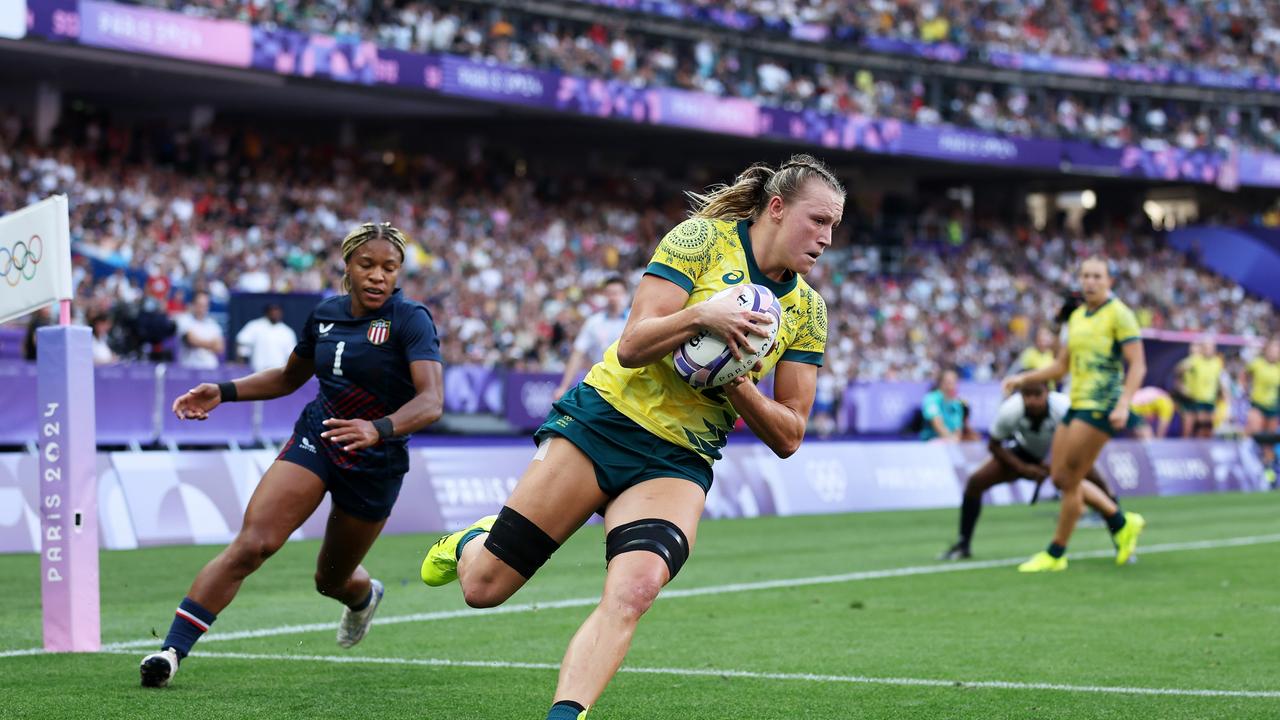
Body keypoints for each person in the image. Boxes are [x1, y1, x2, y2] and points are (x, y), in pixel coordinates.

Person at [417, 155, 842, 720]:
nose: (827, 238)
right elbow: (632, 345)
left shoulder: (809, 312)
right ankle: (474, 539)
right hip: (605, 422)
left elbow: (790, 434)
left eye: (834, 226)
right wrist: (703, 318)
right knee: (483, 587)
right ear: (777, 207)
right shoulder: (700, 240)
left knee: (635, 589)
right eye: (818, 220)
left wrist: (736, 382)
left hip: (680, 457)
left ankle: (565, 715)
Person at [139, 223, 444, 687]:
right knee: (253, 544)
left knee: (331, 580)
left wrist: (377, 429)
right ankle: (170, 652)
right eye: (367, 265)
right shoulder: (324, 315)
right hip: (317, 439)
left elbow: (431, 401)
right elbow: (287, 378)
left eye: (389, 267)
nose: (379, 276)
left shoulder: (411, 319)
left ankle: (362, 597)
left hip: (374, 463)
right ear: (346, 265)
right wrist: (222, 392)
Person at [1003, 257, 1146, 572]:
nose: (1091, 282)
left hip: (1102, 405)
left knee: (1070, 479)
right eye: (1085, 276)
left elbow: (1137, 364)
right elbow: (1061, 366)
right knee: (1060, 477)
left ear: (1109, 281)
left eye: (1097, 276)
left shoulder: (1120, 314)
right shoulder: (1077, 317)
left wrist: (1124, 403)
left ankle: (1056, 553)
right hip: (1076, 402)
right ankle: (1121, 522)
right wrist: (1024, 379)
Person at [940, 379, 1121, 560]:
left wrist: (1054, 463)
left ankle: (1121, 538)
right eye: (1027, 395)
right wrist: (1024, 468)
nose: (1032, 401)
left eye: (1037, 395)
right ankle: (963, 544)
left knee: (1100, 485)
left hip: (1063, 454)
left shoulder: (1064, 407)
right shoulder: (1009, 410)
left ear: (1048, 393)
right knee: (975, 482)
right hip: (1024, 453)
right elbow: (994, 445)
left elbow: (1081, 440)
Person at [553, 276, 630, 401]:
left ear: (625, 295)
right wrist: (563, 387)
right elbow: (577, 354)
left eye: (616, 293)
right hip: (599, 387)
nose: (612, 298)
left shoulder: (633, 320)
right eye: (609, 293)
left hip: (628, 387)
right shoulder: (593, 322)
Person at [1243, 338, 1280, 487]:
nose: (1275, 353)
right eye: (1273, 349)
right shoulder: (1257, 364)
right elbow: (1244, 376)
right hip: (1257, 404)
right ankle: (1251, 467)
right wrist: (1245, 390)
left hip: (1272, 407)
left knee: (1269, 443)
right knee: (1255, 434)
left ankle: (1269, 473)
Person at [1175, 340, 1227, 438]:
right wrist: (1181, 386)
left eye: (1210, 348)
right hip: (1195, 400)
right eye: (1206, 347)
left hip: (1210, 401)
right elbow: (1179, 370)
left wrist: (1224, 394)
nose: (1208, 350)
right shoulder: (1195, 360)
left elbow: (1220, 380)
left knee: (1206, 431)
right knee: (1191, 429)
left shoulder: (1217, 362)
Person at [236, 302, 299, 372]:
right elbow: (242, 342)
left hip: (279, 372)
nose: (274, 313)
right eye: (272, 310)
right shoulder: (254, 326)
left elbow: (291, 353)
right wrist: (240, 362)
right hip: (257, 370)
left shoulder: (287, 331)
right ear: (266, 312)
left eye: (277, 311)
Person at [919, 367, 975, 442]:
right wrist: (950, 439)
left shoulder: (957, 404)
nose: (951, 386)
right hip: (932, 443)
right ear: (940, 383)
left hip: (951, 444)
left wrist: (955, 440)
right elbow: (936, 422)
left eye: (954, 382)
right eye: (948, 382)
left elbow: (958, 429)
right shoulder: (931, 399)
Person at [175, 290, 226, 369]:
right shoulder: (184, 319)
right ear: (193, 305)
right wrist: (211, 344)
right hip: (189, 369)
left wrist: (200, 342)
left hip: (211, 368)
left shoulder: (213, 324)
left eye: (205, 305)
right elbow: (191, 340)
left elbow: (220, 347)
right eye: (200, 305)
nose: (202, 308)